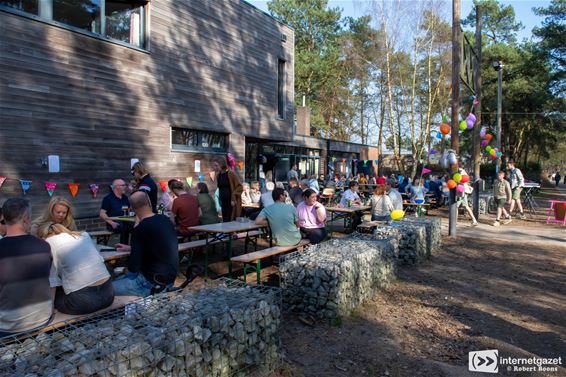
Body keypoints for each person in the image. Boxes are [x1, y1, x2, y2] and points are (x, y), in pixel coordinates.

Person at [0, 198, 52, 337]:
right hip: (42, 319)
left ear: (4, 218)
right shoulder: (44, 246)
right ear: (26, 219)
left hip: (7, 327)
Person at [38, 223, 114, 315]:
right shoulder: (83, 235)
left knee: (52, 297)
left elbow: (53, 281)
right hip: (109, 295)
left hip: (83, 303)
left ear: (42, 238)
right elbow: (100, 260)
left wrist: (50, 307)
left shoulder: (48, 243)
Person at [114, 191, 179, 296]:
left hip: (150, 283)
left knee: (108, 289)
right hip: (169, 280)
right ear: (149, 202)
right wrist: (131, 248)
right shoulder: (165, 220)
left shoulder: (140, 228)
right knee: (120, 280)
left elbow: (133, 267)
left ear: (132, 208)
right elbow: (158, 247)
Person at [99, 179, 133, 244]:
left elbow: (129, 210)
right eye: (123, 185)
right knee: (124, 227)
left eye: (125, 185)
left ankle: (133, 248)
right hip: (113, 223)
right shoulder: (108, 199)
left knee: (136, 226)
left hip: (125, 221)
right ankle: (123, 248)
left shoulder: (125, 198)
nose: (125, 187)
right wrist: (112, 223)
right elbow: (102, 214)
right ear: (117, 187)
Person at [213, 157, 243, 222]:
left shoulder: (231, 174)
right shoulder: (219, 176)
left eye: (216, 165)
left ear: (222, 165)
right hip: (223, 204)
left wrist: (233, 197)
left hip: (231, 203)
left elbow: (240, 187)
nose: (215, 167)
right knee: (225, 221)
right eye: (214, 166)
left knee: (230, 221)